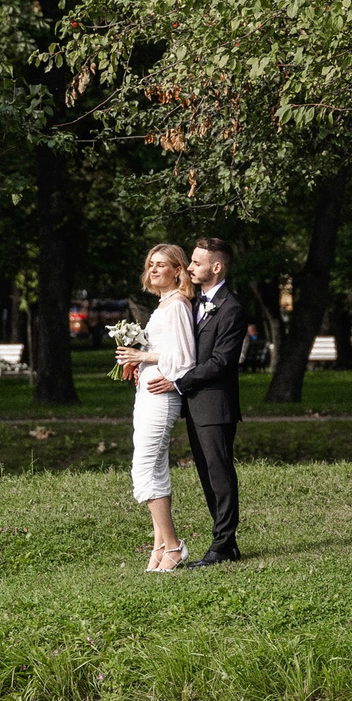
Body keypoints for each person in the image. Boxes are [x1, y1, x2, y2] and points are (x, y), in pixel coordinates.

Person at [144, 237, 245, 566]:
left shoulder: (231, 308)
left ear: (216, 267)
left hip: (216, 405)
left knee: (219, 474)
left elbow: (221, 362)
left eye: (197, 263)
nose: (190, 267)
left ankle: (224, 544)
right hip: (195, 405)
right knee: (206, 474)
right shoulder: (193, 302)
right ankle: (225, 542)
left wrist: (178, 382)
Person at [114, 243, 198, 572]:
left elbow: (184, 357)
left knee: (144, 469)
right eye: (151, 264)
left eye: (161, 264)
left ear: (178, 270)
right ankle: (159, 546)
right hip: (147, 393)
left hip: (162, 395)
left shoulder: (177, 305)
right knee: (156, 468)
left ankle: (174, 546)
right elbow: (164, 350)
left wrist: (142, 356)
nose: (153, 269)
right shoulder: (163, 305)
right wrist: (138, 361)